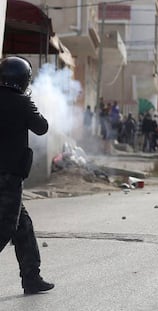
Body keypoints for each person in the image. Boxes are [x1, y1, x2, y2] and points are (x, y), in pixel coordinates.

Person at [0, 56, 54, 294]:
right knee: (5, 228)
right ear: (22, 80)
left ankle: (31, 277)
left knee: (24, 226)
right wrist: (31, 103)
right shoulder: (22, 103)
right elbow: (41, 127)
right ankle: (31, 276)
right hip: (8, 177)